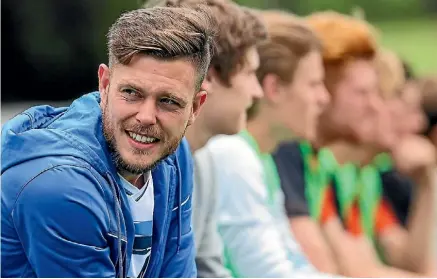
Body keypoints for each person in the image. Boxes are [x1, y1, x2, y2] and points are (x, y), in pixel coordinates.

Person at [1, 6, 215, 278]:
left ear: (195, 107)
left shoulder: (173, 153)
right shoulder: (58, 186)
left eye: (168, 101)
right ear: (104, 84)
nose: (147, 117)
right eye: (131, 93)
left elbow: (178, 271)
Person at [273, 11, 436, 277]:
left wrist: (428, 182)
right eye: (363, 93)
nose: (376, 106)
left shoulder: (324, 165)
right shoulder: (291, 153)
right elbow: (350, 270)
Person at [197, 10, 330, 277]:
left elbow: (292, 262)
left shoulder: (261, 156)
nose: (324, 97)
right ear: (275, 88)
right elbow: (267, 273)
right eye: (314, 84)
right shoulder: (233, 154)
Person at [144, 0, 267, 277]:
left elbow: (208, 269)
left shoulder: (204, 160)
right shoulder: (140, 161)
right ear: (208, 75)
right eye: (249, 73)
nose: (257, 92)